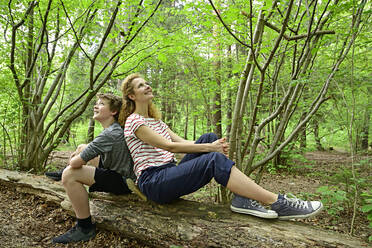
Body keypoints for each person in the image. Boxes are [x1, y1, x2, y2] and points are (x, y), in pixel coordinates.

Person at [119, 73, 323, 220]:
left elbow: (183, 142)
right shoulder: (134, 121)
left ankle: (242, 198)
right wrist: (211, 149)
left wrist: (213, 143)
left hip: (168, 174)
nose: (147, 86)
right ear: (131, 96)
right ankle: (277, 202)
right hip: (154, 182)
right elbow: (171, 147)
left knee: (208, 137)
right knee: (213, 157)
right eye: (140, 85)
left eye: (147, 83)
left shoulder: (157, 121)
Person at [52, 93, 136, 244]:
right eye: (96, 103)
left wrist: (72, 163)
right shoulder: (115, 129)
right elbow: (88, 151)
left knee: (70, 173)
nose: (96, 106)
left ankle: (84, 228)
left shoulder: (110, 134)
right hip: (119, 172)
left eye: (102, 104)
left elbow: (75, 163)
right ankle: (63, 174)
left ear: (113, 112)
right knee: (82, 147)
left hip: (125, 182)